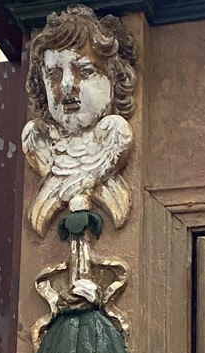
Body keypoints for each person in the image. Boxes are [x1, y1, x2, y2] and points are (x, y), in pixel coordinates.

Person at [22, 4, 137, 237]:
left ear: (116, 79)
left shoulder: (116, 133)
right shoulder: (37, 139)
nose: (66, 85)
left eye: (85, 71)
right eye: (53, 74)